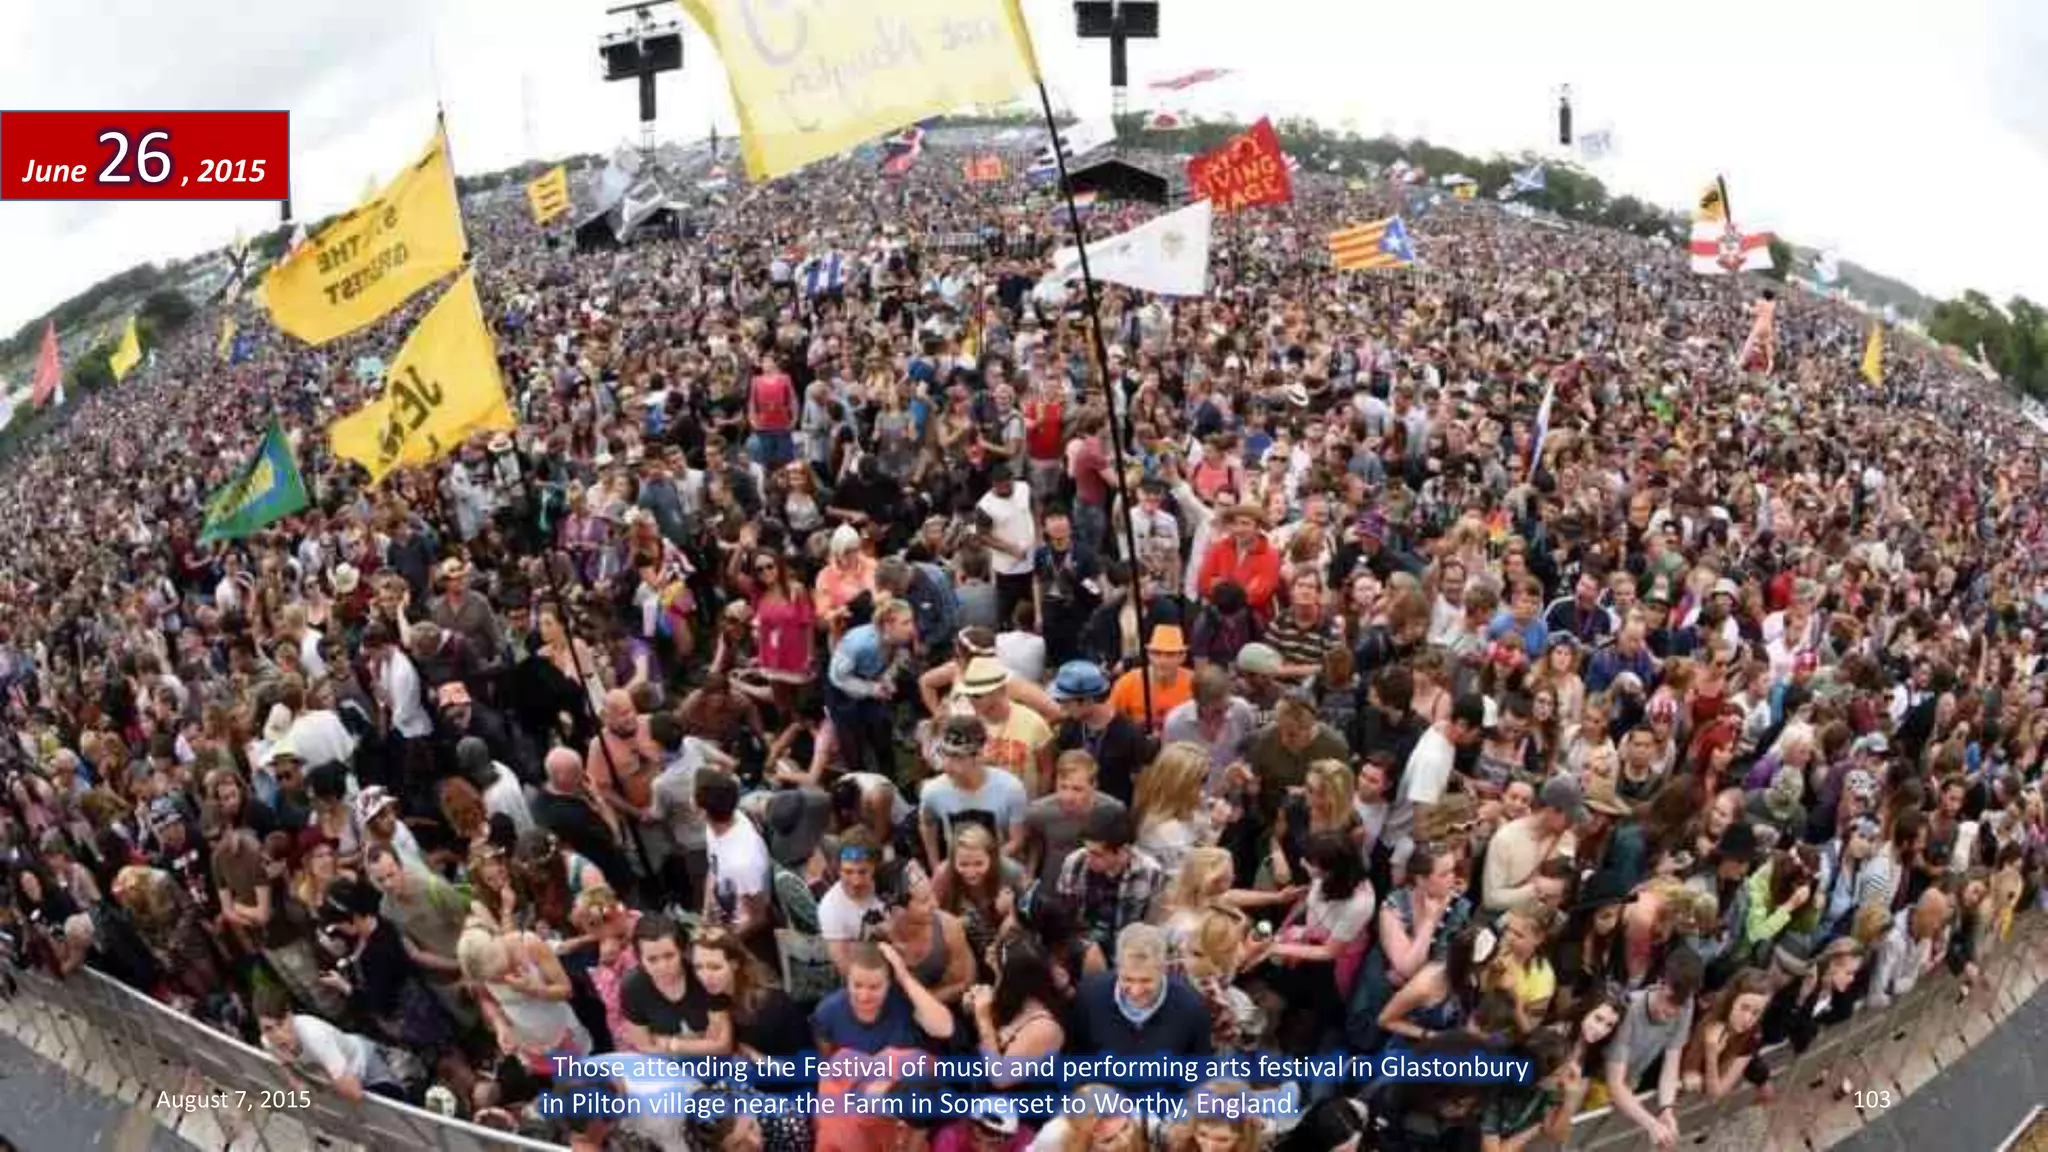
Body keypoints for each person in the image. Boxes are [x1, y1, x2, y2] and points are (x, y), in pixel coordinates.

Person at [1068, 924, 1213, 1073]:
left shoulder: (1191, 1006)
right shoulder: (1089, 997)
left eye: (1146, 981)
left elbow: (1200, 1073)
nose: (1136, 991)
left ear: (1164, 970)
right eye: (1128, 979)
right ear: (1117, 968)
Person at [1604, 946, 1703, 1150]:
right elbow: (1614, 1083)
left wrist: (1666, 1109)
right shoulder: (1631, 1008)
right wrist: (1652, 1125)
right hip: (1601, 1080)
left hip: (1630, 1082)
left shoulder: (1686, 1004)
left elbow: (1672, 1061)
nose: (1672, 1013)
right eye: (1669, 1001)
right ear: (1660, 982)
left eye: (1679, 1006)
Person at [255, 985, 422, 1104]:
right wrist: (296, 1081)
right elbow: (287, 1068)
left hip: (364, 1065)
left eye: (281, 1024)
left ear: (290, 1015)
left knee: (399, 1107)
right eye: (268, 1029)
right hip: (340, 1081)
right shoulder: (267, 1041)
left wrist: (323, 1081)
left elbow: (354, 1093)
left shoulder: (315, 1036)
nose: (278, 1036)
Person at [919, 714, 1029, 871]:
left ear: (978, 755)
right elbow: (927, 824)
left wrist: (980, 864)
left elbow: (1017, 840)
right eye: (943, 754)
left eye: (957, 757)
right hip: (958, 869)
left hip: (1001, 868)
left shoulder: (1011, 788)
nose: (946, 765)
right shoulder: (932, 791)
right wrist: (935, 866)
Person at [1056, 806, 1167, 952]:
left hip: (1127, 949)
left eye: (1097, 854)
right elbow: (1064, 916)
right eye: (1087, 850)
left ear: (1123, 850)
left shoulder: (1151, 873)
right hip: (1081, 945)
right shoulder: (1075, 862)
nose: (1089, 859)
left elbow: (1152, 929)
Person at [1050, 660, 1156, 806]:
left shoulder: (1129, 735)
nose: (1062, 708)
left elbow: (1141, 787)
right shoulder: (1070, 727)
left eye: (1066, 702)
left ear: (1087, 700)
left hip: (1114, 813)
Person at [1107, 625, 1195, 734]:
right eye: (1157, 653)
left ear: (1182, 657)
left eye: (1170, 655)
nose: (1162, 661)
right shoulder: (1127, 683)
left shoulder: (1195, 684)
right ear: (1149, 655)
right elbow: (1109, 722)